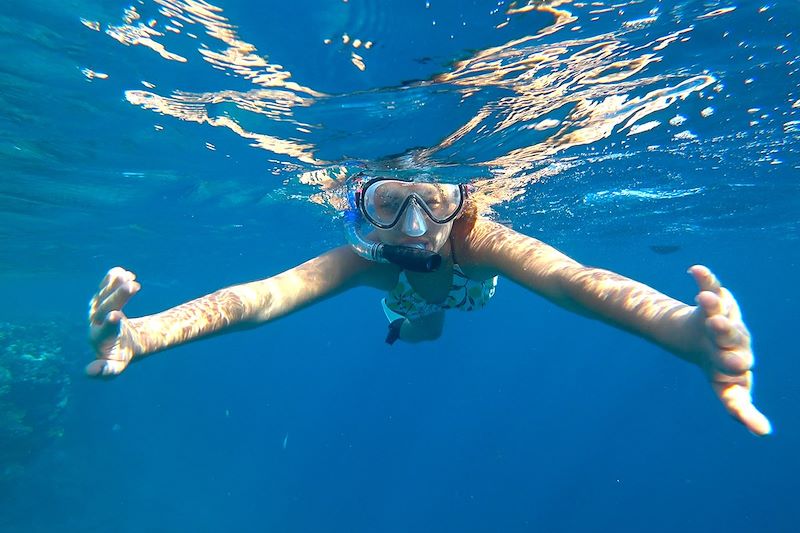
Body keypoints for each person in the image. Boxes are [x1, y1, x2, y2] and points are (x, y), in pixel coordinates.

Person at [87, 173, 772, 436]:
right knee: (418, 329)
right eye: (390, 202)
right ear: (362, 205)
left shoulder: (482, 240)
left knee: (430, 319)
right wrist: (143, 334)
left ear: (463, 200)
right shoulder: (365, 259)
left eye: (436, 199)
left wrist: (684, 331)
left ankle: (415, 318)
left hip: (473, 291)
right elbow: (264, 296)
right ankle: (409, 321)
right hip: (410, 302)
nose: (416, 227)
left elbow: (576, 280)